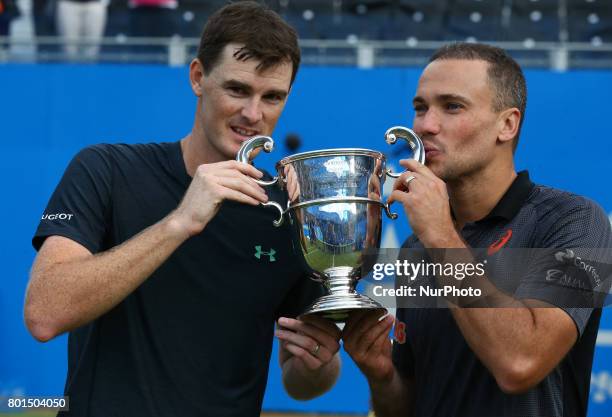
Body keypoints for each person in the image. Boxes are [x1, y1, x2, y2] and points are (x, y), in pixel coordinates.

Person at [25, 2, 341, 416]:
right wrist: (179, 222)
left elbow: (302, 382)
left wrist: (316, 364)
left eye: (273, 97)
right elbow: (45, 313)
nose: (253, 114)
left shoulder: (289, 212)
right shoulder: (106, 170)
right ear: (198, 77)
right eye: (237, 90)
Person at [343, 42, 612, 417]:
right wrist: (382, 374)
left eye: (452, 106)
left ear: (507, 124)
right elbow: (405, 408)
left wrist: (441, 237)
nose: (425, 125)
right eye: (420, 108)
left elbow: (520, 364)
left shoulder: (576, 221)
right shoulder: (415, 248)